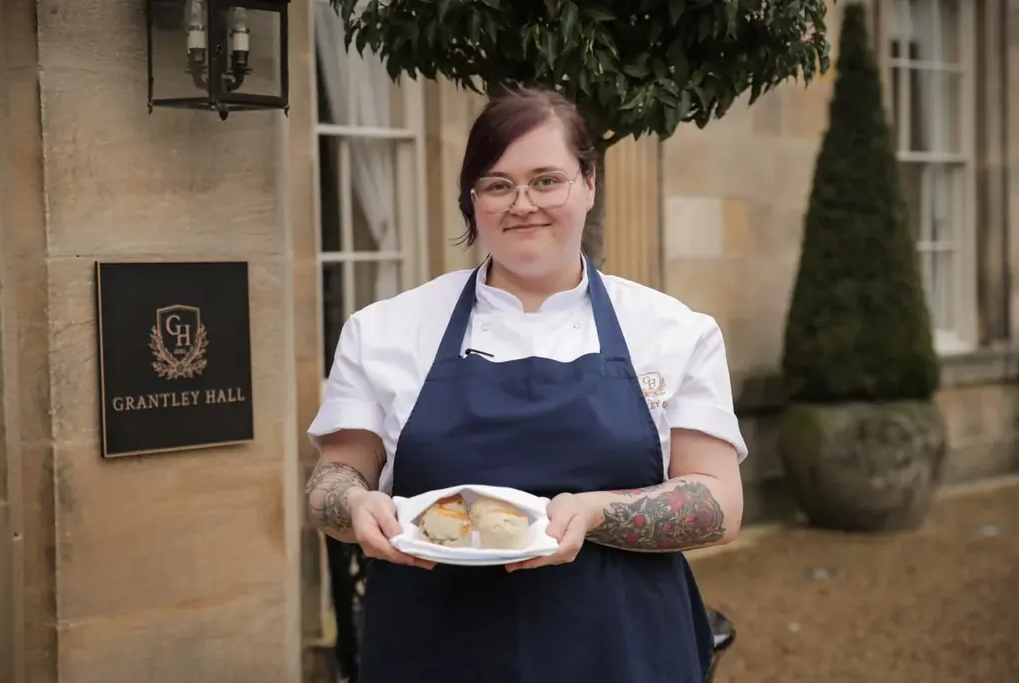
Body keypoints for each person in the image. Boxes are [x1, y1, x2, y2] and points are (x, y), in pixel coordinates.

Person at [305, 86, 748, 683]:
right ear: (473, 198)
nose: (522, 204)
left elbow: (718, 504)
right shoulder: (384, 329)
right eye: (497, 184)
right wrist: (355, 505)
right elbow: (333, 479)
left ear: (589, 183)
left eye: (547, 180)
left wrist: (594, 513)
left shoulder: (672, 330)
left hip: (623, 649)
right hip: (433, 648)